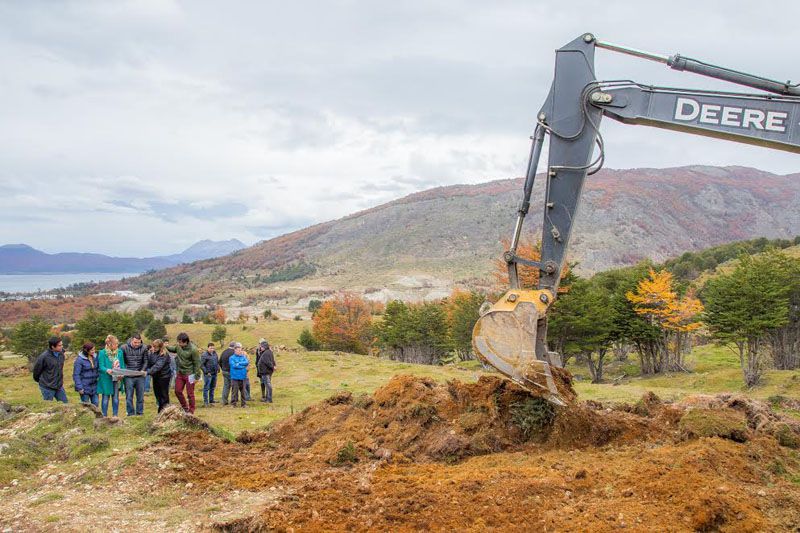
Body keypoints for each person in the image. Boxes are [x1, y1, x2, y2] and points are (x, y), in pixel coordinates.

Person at [166, 332, 201, 414]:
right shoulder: (178, 347)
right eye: (178, 342)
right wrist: (166, 346)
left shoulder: (193, 350)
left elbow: (197, 363)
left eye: (180, 342)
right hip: (180, 373)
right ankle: (185, 407)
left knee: (190, 394)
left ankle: (191, 411)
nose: (179, 344)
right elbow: (173, 349)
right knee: (177, 391)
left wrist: (197, 377)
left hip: (190, 374)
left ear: (186, 342)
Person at [32, 336, 67, 403]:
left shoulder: (61, 353)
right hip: (47, 387)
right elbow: (36, 371)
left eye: (62, 345)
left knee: (65, 405)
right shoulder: (44, 357)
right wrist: (43, 382)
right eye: (59, 345)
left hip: (59, 386)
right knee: (49, 408)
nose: (62, 347)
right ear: (53, 347)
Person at [120, 334, 149, 416]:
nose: (137, 344)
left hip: (140, 375)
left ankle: (140, 413)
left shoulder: (144, 348)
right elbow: (121, 361)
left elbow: (146, 361)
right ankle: (130, 413)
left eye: (138, 343)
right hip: (128, 375)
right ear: (131, 340)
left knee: (140, 396)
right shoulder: (123, 348)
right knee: (129, 396)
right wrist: (124, 370)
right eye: (135, 342)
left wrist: (143, 370)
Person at [98, 335, 125, 417]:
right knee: (106, 398)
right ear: (110, 344)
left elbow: (122, 365)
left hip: (116, 378)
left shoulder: (119, 352)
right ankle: (104, 416)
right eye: (116, 344)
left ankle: (115, 415)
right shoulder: (102, 353)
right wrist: (107, 370)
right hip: (106, 378)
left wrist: (122, 374)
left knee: (116, 398)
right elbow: (101, 366)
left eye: (117, 344)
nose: (117, 345)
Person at [146, 339, 172, 413]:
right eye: (153, 346)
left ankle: (165, 411)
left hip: (164, 377)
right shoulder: (152, 353)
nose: (153, 348)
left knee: (163, 395)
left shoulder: (164, 354)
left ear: (160, 347)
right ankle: (161, 411)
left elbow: (158, 366)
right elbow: (149, 363)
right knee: (157, 394)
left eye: (155, 347)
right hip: (155, 377)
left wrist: (147, 372)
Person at [228, 342, 249, 408]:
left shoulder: (243, 357)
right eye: (238, 350)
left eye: (240, 350)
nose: (240, 351)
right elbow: (234, 365)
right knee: (234, 391)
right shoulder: (231, 358)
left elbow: (246, 362)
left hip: (243, 377)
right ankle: (233, 404)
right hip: (235, 377)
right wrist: (242, 366)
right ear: (235, 350)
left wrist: (239, 363)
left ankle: (244, 404)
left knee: (243, 391)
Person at [200, 342, 220, 407]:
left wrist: (218, 368)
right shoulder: (204, 355)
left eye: (213, 348)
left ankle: (211, 399)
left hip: (215, 373)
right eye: (211, 348)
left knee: (212, 387)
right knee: (206, 387)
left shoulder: (215, 353)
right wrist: (206, 372)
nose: (212, 349)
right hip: (208, 374)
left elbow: (217, 362)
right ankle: (206, 401)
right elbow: (201, 365)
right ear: (208, 348)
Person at [219, 341, 234, 406]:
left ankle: (224, 400)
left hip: (224, 371)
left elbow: (219, 361)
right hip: (231, 371)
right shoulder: (233, 352)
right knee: (234, 386)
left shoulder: (224, 351)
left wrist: (223, 368)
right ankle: (233, 400)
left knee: (226, 386)